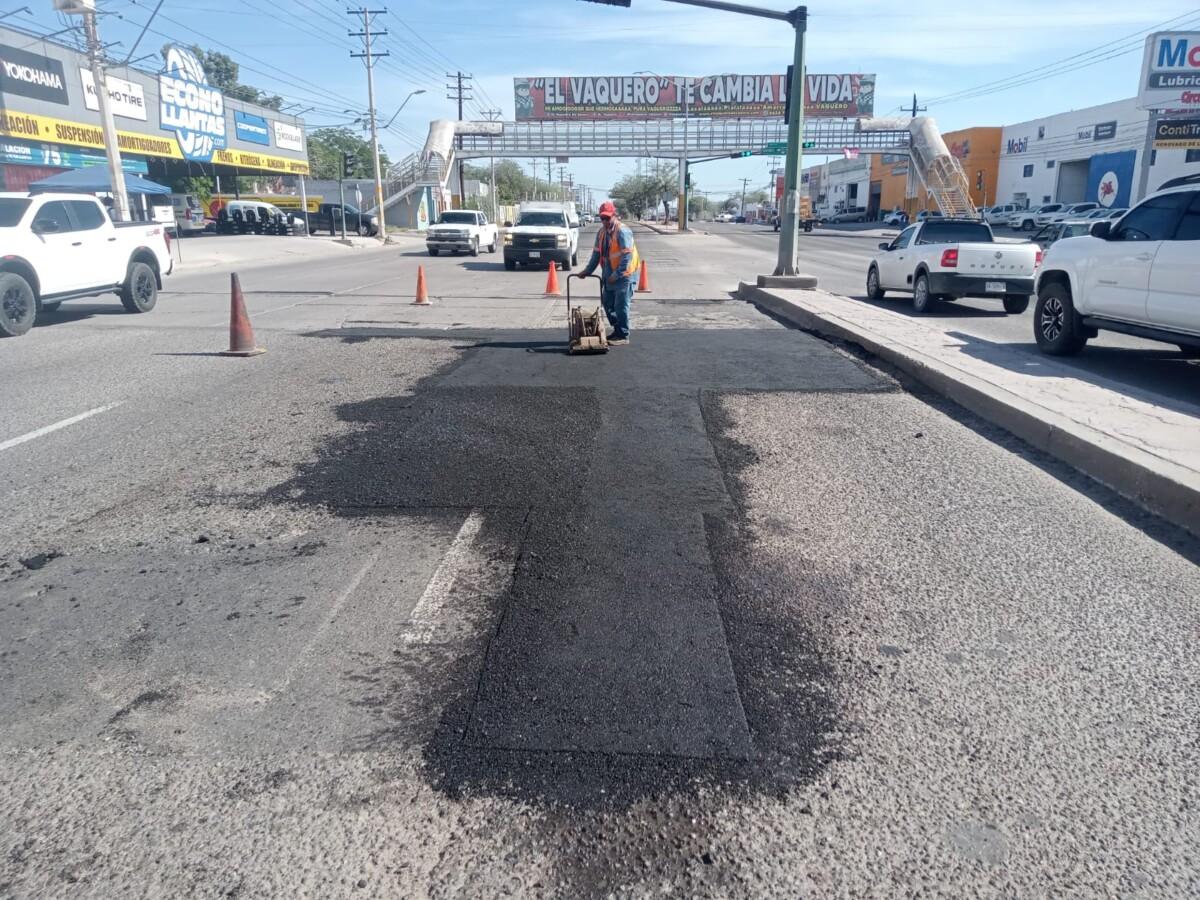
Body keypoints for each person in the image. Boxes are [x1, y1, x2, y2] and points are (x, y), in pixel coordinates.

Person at [579, 200, 640, 345]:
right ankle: (617, 329)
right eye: (602, 218)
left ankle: (623, 335)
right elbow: (596, 255)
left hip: (624, 275)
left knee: (621, 306)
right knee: (607, 304)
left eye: (607, 218)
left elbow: (627, 256)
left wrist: (616, 275)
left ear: (614, 215)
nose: (605, 221)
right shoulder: (601, 233)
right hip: (608, 273)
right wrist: (587, 271)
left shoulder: (623, 231)